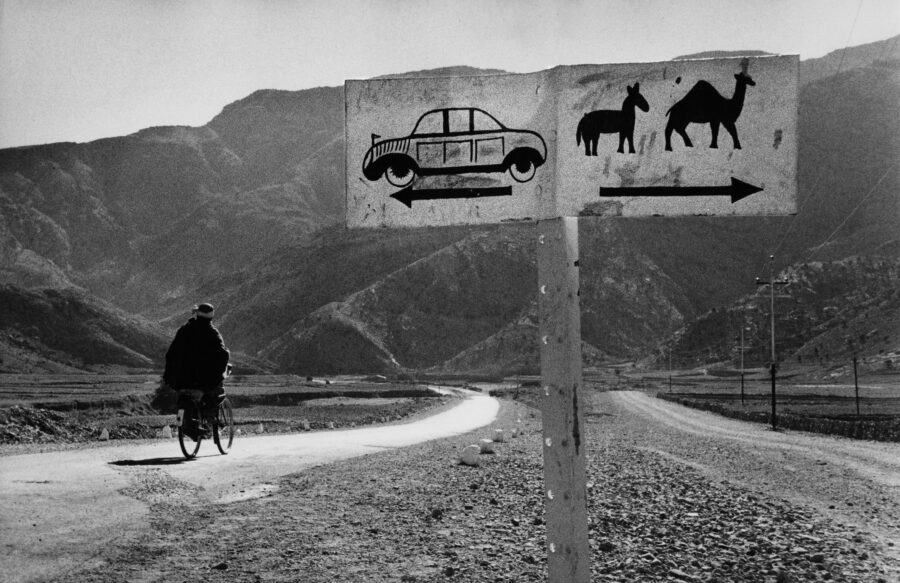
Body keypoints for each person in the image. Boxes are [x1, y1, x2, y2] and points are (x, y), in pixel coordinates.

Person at [163, 303, 230, 440]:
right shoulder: (212, 333)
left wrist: (171, 373)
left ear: (196, 314)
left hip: (180, 379)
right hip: (202, 381)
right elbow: (222, 354)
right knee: (216, 391)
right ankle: (210, 420)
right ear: (211, 317)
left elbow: (171, 353)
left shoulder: (184, 330)